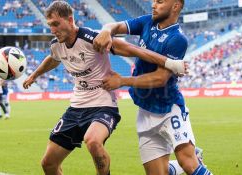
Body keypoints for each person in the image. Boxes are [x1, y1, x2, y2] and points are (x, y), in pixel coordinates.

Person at [23, 1, 188, 175]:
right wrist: (34, 75)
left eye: (56, 24)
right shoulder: (56, 45)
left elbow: (132, 49)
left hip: (103, 105)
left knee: (93, 141)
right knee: (48, 164)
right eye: (50, 25)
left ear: (70, 20)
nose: (53, 30)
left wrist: (169, 62)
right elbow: (53, 58)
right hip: (76, 107)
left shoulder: (93, 39)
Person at [93, 0, 213, 175]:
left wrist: (123, 81)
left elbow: (160, 78)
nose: (153, 4)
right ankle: (188, 160)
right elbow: (115, 26)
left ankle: (192, 159)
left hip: (168, 109)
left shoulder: (177, 39)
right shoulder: (147, 21)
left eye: (160, 1)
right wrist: (106, 30)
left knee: (188, 163)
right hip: (145, 111)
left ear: (176, 6)